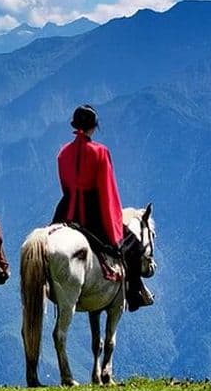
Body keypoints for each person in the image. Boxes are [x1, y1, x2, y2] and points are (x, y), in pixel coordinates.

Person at [52, 104, 154, 311]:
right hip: (92, 212)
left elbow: (65, 184)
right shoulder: (100, 152)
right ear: (93, 127)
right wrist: (114, 220)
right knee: (133, 245)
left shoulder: (63, 153)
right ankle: (134, 295)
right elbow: (107, 190)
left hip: (65, 208)